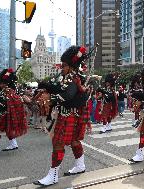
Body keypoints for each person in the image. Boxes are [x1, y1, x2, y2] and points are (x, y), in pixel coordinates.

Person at [34, 46, 89, 186]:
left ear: (71, 66)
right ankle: (80, 165)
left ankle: (53, 175)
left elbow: (68, 95)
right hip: (69, 115)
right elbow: (61, 89)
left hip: (69, 115)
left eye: (64, 66)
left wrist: (52, 99)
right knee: (74, 141)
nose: (62, 68)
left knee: (58, 143)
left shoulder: (73, 78)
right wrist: (46, 85)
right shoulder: (68, 78)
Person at [0, 68, 28, 155]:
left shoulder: (9, 91)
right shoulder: (2, 90)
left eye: (1, 83)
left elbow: (5, 103)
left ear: (6, 83)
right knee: (9, 129)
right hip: (5, 113)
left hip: (5, 113)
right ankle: (13, 144)